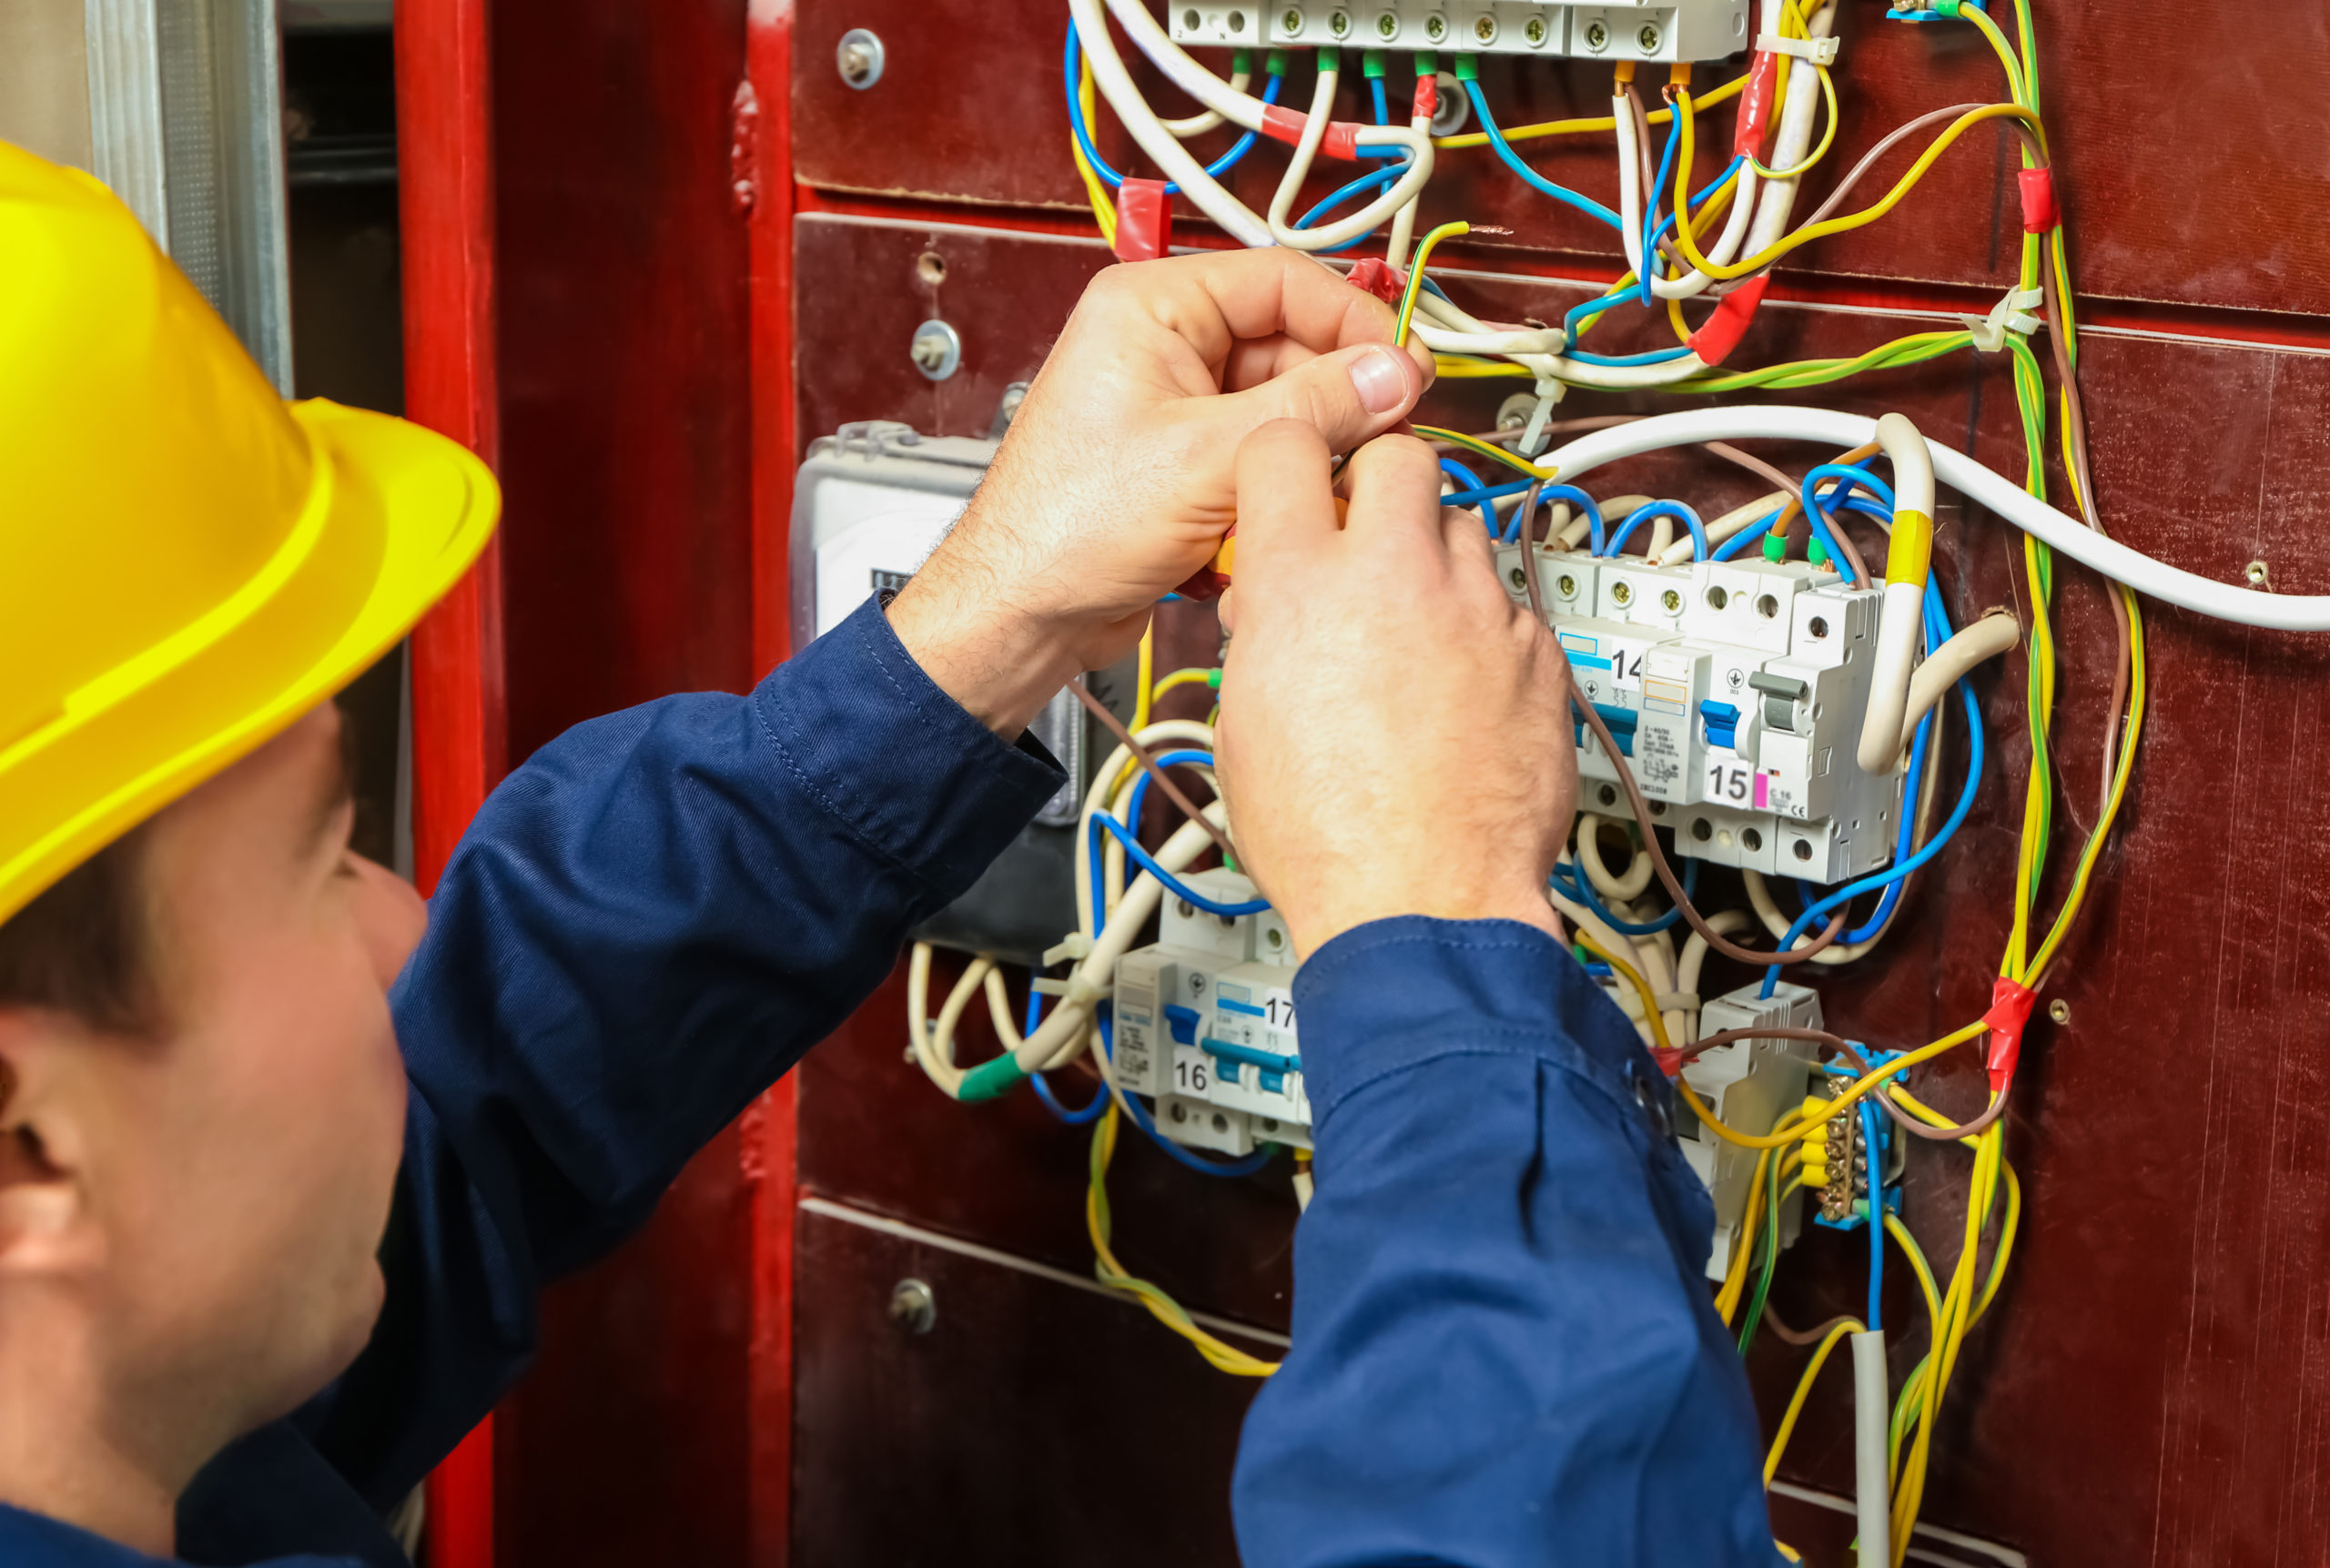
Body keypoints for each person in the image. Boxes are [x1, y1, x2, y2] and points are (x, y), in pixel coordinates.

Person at [0, 141, 1773, 1568]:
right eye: (325, 863)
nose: (399, 935)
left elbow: (464, 1095)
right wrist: (1436, 911)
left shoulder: (144, 1380)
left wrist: (986, 619)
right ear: (27, 1144)